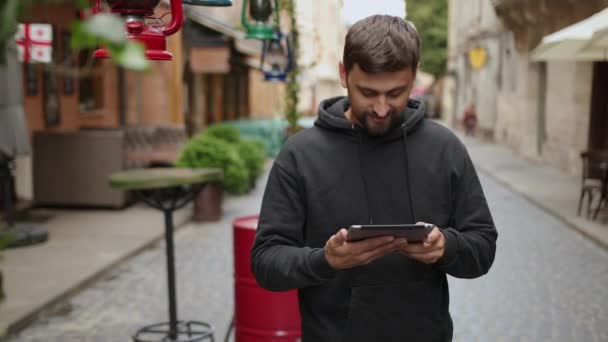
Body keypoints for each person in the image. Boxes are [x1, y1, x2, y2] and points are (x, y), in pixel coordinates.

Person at [251, 15, 497, 342]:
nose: (381, 108)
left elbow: (482, 247)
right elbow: (266, 262)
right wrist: (324, 260)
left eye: (396, 93)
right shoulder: (299, 155)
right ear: (343, 74)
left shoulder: (445, 148)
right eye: (367, 92)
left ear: (414, 76)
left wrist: (446, 246)